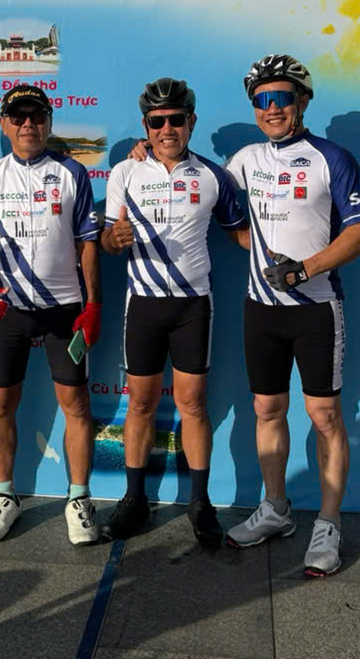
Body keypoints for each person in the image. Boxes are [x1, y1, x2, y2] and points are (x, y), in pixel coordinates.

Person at [223, 54, 360, 578]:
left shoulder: (332, 157)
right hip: (260, 309)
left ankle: (329, 523)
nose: (271, 108)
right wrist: (144, 151)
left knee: (324, 416)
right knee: (267, 409)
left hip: (315, 309)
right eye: (261, 100)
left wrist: (305, 269)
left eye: (281, 98)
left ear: (302, 101)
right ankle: (276, 510)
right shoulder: (245, 159)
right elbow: (208, 196)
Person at [100, 77, 247, 547]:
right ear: (146, 126)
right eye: (157, 121)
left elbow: (243, 235)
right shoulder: (125, 172)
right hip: (142, 304)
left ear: (191, 122)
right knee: (140, 404)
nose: (167, 129)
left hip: (192, 306)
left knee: (193, 404)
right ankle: (134, 498)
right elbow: (108, 240)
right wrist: (113, 240)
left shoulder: (213, 176)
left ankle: (200, 503)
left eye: (176, 120)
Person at [0, 84, 103, 545]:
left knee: (76, 405)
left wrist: (93, 303)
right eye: (17, 116)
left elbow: (88, 244)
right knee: (1, 405)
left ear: (49, 122)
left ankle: (78, 499)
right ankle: (5, 497)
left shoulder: (72, 173)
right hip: (10, 311)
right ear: (4, 124)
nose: (28, 124)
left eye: (36, 116)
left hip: (64, 309)